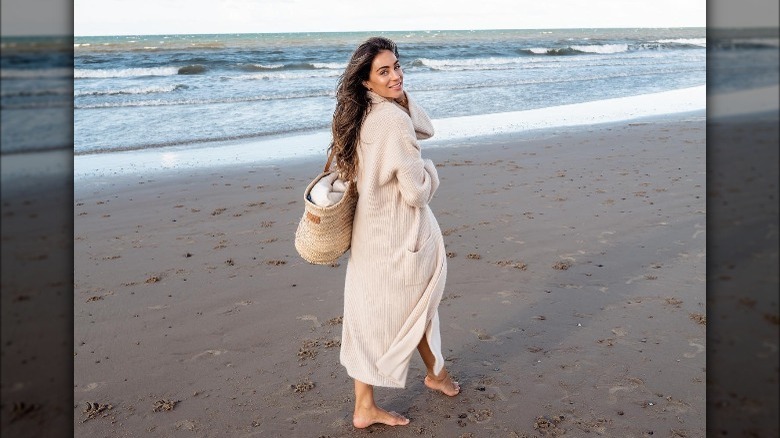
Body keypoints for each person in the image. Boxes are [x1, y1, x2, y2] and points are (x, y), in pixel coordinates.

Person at [329, 36, 460, 429]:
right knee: (418, 308)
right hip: (400, 235)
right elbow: (417, 192)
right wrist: (432, 171)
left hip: (368, 234)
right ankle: (436, 376)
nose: (395, 76)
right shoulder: (392, 121)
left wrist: (397, 96)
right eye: (383, 71)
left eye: (397, 67)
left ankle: (368, 405)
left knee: (368, 317)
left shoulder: (361, 114)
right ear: (366, 80)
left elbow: (424, 127)